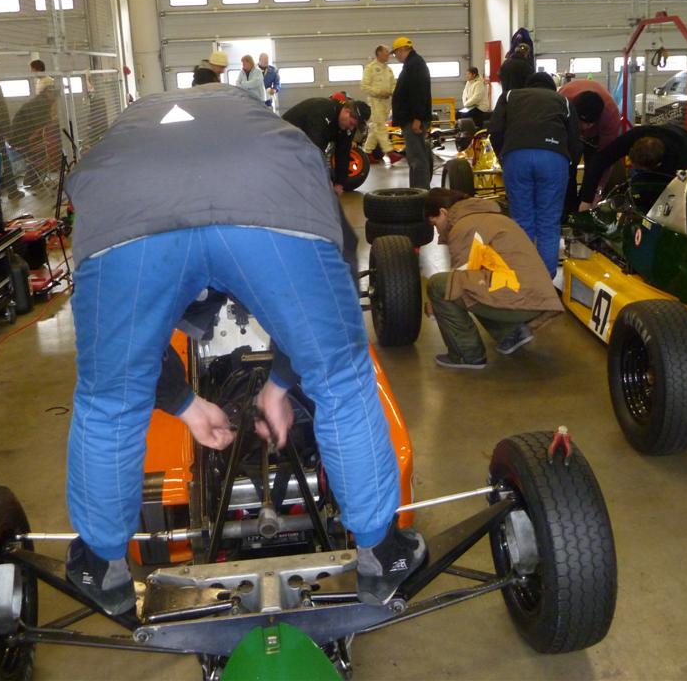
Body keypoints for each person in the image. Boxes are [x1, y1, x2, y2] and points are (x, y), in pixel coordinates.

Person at [63, 85, 425, 615]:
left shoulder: (127, 132)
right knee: (342, 381)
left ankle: (102, 567)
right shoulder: (272, 130)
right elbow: (339, 281)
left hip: (123, 201)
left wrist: (185, 404)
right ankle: (381, 554)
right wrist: (281, 384)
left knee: (108, 400)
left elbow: (119, 353)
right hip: (270, 188)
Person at [424, 188, 564, 369]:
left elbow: (460, 278)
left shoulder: (463, 227)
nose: (437, 231)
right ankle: (511, 333)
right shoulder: (496, 218)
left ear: (443, 212)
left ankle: (467, 355)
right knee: (479, 281)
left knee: (439, 285)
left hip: (523, 301)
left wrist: (434, 303)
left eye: (434, 224)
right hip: (540, 298)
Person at [487, 72, 578, 276]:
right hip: (553, 158)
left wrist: (504, 156)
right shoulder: (563, 100)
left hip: (516, 157)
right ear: (551, 88)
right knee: (548, 222)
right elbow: (575, 140)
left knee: (522, 220)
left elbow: (495, 130)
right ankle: (545, 280)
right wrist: (568, 167)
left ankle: (524, 277)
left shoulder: (510, 96)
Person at [578, 122, 687, 210]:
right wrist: (586, 200)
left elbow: (679, 189)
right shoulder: (634, 136)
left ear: (657, 165)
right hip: (665, 136)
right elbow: (598, 161)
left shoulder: (679, 158)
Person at [282, 96, 370, 193]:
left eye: (354, 126)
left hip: (301, 142)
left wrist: (339, 184)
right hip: (283, 138)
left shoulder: (347, 126)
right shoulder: (323, 110)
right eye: (351, 124)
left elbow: (343, 153)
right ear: (347, 112)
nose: (351, 128)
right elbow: (315, 148)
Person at [558, 79, 621, 215]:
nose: (585, 128)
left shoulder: (611, 117)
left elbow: (606, 160)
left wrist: (598, 190)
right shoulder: (561, 102)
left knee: (593, 169)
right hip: (568, 129)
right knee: (568, 167)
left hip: (596, 136)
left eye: (589, 124)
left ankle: (584, 211)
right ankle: (569, 210)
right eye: (581, 123)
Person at [390, 36, 433, 189]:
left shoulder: (415, 65)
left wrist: (417, 118)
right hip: (410, 118)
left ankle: (421, 193)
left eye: (395, 53)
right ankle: (417, 191)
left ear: (402, 50)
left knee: (417, 158)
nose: (396, 56)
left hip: (413, 120)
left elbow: (419, 93)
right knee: (415, 157)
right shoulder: (412, 64)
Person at [8, 76, 59, 186]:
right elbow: (42, 127)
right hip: (22, 140)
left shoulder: (40, 102)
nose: (55, 97)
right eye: (54, 94)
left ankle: (33, 179)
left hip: (23, 138)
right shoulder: (41, 104)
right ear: (47, 92)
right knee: (51, 145)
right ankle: (32, 179)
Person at [360, 45, 402, 164]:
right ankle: (389, 152)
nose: (388, 54)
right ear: (379, 53)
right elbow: (364, 86)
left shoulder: (388, 70)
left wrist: (394, 93)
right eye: (386, 52)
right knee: (380, 126)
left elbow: (393, 85)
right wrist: (378, 92)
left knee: (376, 128)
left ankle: (367, 153)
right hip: (375, 101)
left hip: (386, 102)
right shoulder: (370, 68)